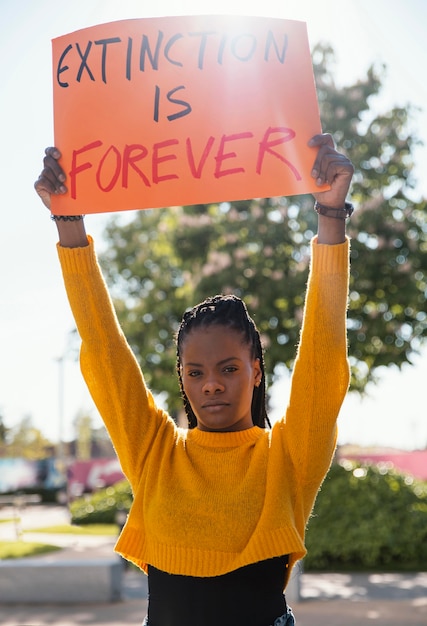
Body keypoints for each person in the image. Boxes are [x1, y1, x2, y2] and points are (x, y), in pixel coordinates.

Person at [35, 133, 354, 626]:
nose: (211, 385)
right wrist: (68, 225)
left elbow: (324, 358)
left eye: (228, 369)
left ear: (255, 371)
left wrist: (331, 217)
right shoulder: (156, 453)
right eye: (195, 372)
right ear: (182, 380)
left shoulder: (288, 457)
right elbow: (105, 355)